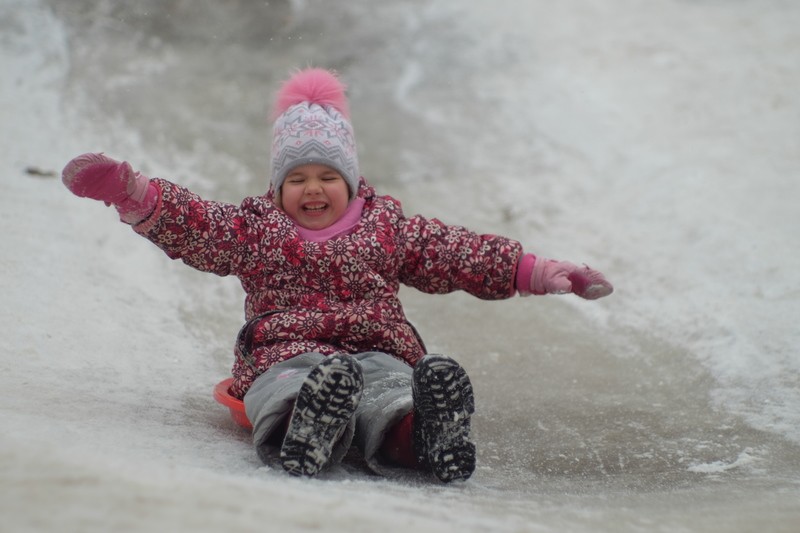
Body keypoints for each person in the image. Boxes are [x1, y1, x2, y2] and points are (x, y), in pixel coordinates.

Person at [62, 68, 613, 482]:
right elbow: (198, 227)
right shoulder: (256, 227)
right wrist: (131, 193)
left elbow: (456, 253)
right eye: (296, 177)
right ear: (278, 186)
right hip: (287, 348)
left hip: (377, 349)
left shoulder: (387, 227)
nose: (312, 188)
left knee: (393, 390)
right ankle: (307, 427)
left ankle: (423, 434)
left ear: (351, 181)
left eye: (327, 175)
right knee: (286, 384)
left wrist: (538, 271)